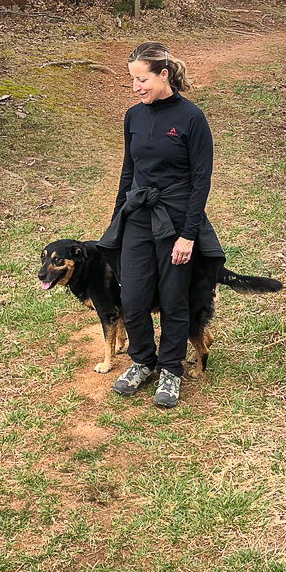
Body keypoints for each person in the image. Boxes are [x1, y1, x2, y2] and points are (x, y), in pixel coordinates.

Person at [98, 41, 215, 409]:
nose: (136, 87)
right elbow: (128, 171)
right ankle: (143, 361)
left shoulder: (191, 118)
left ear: (164, 75)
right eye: (132, 80)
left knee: (172, 297)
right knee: (132, 296)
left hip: (176, 218)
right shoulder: (133, 117)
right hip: (138, 217)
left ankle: (170, 370)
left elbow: (201, 182)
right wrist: (119, 216)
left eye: (142, 79)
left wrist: (188, 235)